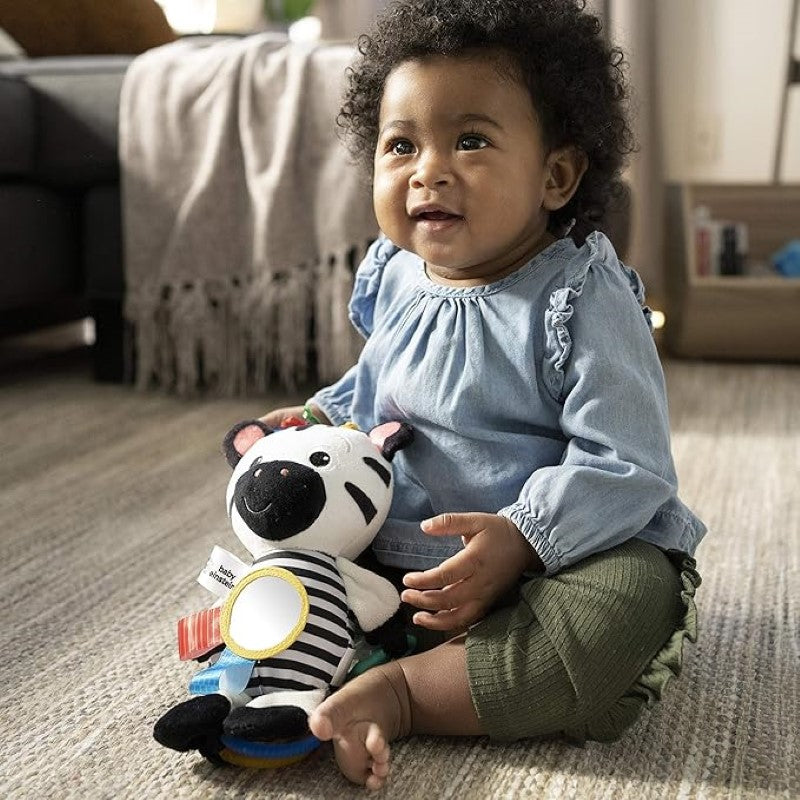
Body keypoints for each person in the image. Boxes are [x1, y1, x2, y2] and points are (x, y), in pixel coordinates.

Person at [261, 0, 705, 790]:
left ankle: (401, 689)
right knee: (281, 524)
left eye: (470, 141)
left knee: (625, 603)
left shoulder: (581, 295)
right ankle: (329, 644)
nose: (428, 170)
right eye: (401, 146)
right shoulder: (393, 274)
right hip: (406, 558)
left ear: (556, 175)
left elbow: (630, 463)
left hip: (557, 560)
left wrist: (524, 537)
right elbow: (377, 391)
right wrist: (315, 423)